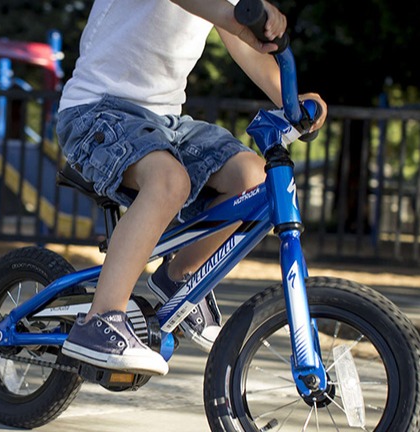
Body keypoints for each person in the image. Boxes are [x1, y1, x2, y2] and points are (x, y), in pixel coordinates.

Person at [56, 0, 327, 376]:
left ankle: (179, 276)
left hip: (165, 121)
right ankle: (102, 318)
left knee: (254, 179)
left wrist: (291, 99)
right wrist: (241, 17)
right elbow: (215, 11)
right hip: (97, 111)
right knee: (170, 182)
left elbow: (245, 46)